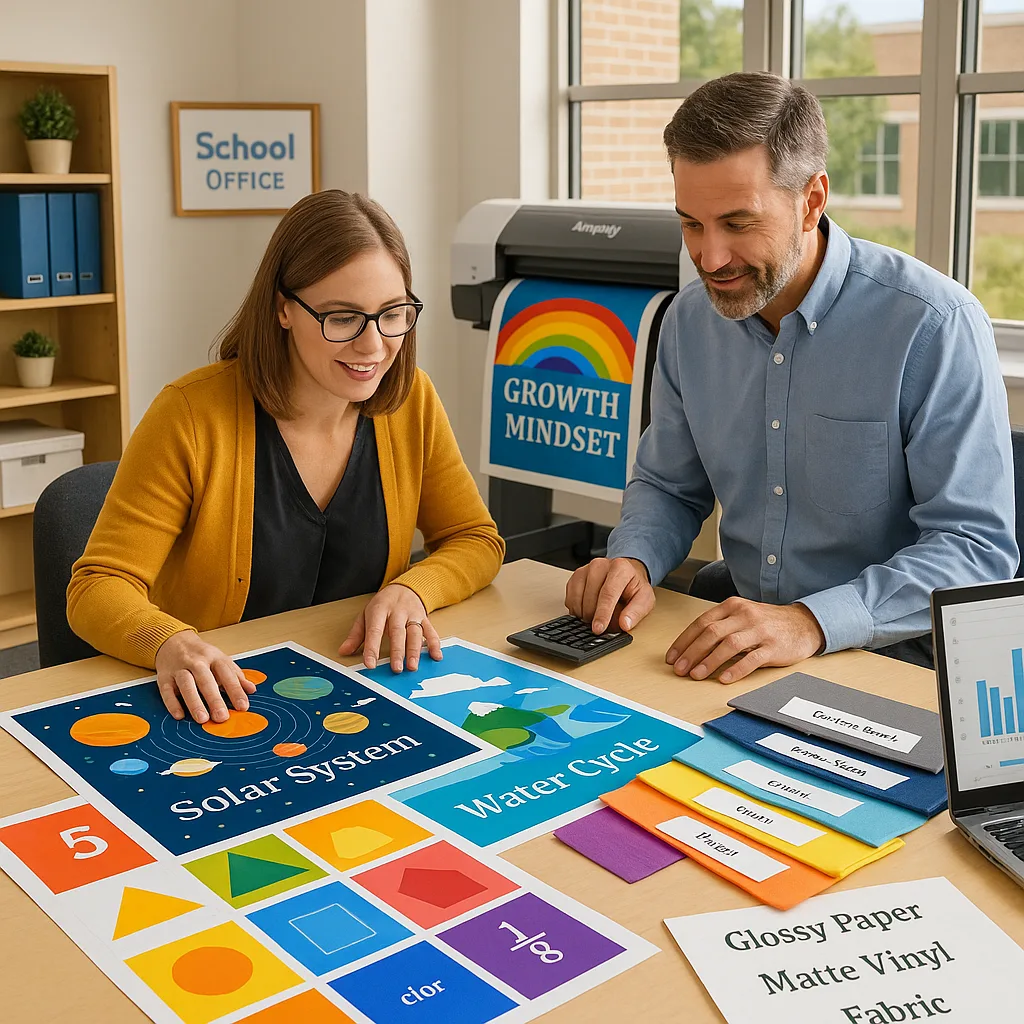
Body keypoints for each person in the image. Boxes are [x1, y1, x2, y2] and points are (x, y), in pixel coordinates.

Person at [566, 72, 1017, 682]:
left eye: (738, 223)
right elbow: (670, 487)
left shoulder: (934, 325)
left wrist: (811, 622)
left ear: (811, 200)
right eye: (691, 224)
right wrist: (633, 560)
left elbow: (976, 551)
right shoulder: (687, 322)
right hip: (743, 642)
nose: (711, 257)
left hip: (894, 657)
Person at [69, 190, 504, 723]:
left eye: (393, 313)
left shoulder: (410, 401)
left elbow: (475, 539)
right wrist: (169, 642)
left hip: (357, 689)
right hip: (219, 703)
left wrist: (415, 589)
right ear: (282, 309)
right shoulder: (189, 414)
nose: (373, 346)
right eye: (343, 318)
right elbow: (97, 587)